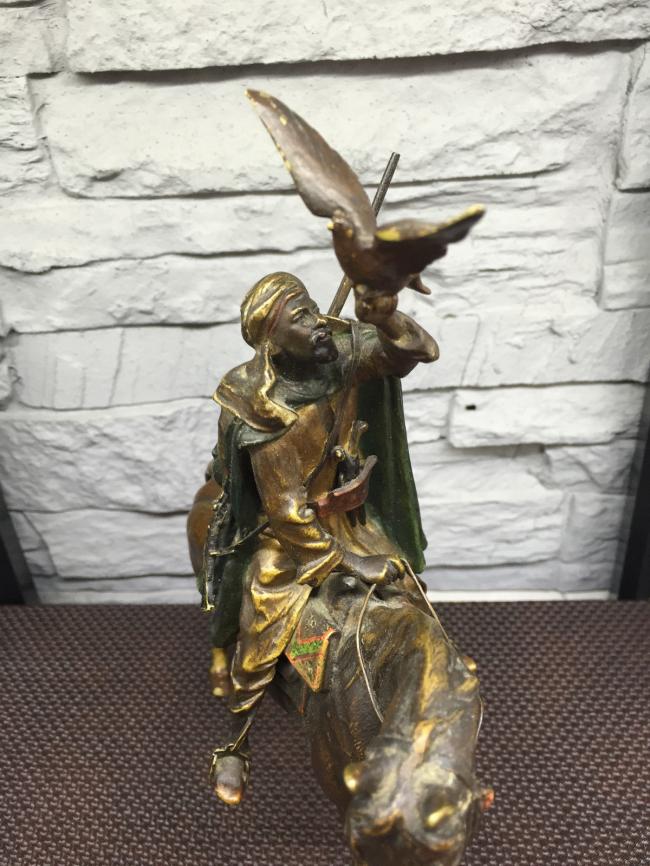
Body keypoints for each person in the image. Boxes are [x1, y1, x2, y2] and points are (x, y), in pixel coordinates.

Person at [202, 270, 439, 805]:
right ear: (272, 343)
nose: (316, 322)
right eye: (300, 318)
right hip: (288, 539)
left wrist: (383, 315)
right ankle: (236, 740)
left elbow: (418, 350)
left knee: (410, 590)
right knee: (263, 622)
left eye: (312, 308)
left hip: (349, 522)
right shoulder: (265, 411)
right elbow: (287, 514)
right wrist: (354, 565)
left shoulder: (342, 355)